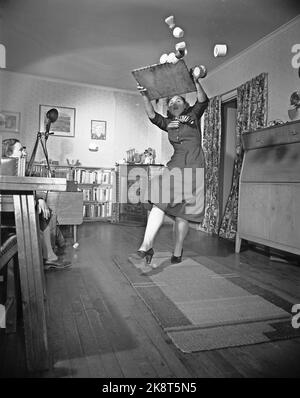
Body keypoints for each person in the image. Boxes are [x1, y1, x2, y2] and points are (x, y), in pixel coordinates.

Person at [137, 73, 209, 265]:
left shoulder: (193, 115)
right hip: (175, 166)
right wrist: (145, 96)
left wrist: (195, 81)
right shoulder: (168, 124)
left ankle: (177, 251)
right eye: (171, 101)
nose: (174, 102)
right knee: (159, 200)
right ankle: (146, 244)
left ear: (185, 105)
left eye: (179, 99)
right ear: (169, 108)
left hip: (194, 167)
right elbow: (152, 116)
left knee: (183, 212)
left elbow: (203, 101)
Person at [1, 138, 71, 270]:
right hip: (9, 215)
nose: (24, 153)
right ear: (9, 154)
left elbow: (27, 189)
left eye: (24, 149)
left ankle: (48, 256)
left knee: (44, 212)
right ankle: (48, 257)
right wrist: (36, 201)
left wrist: (39, 199)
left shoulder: (20, 169)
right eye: (20, 150)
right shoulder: (7, 171)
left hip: (18, 210)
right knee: (43, 213)